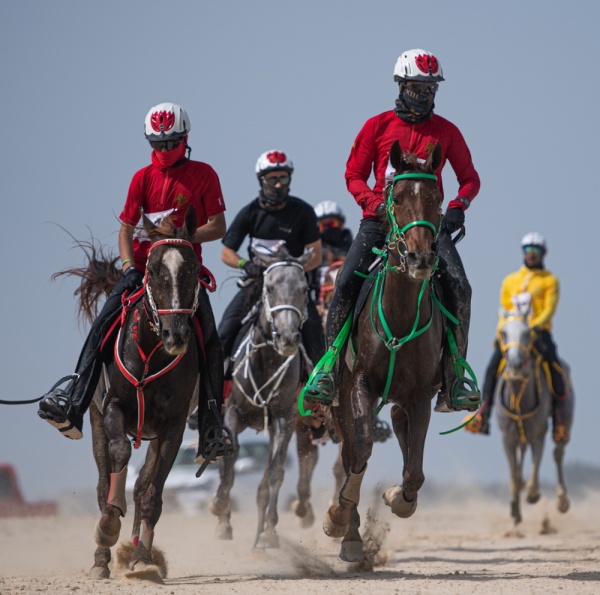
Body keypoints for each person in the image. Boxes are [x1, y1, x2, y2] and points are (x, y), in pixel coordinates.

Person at [38, 102, 233, 460]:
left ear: (185, 138)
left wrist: (183, 240)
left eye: (170, 142)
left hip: (183, 277)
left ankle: (210, 426)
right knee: (102, 324)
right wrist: (129, 264)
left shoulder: (204, 174)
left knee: (212, 342)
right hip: (144, 271)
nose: (163, 150)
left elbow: (219, 226)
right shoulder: (141, 178)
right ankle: (74, 403)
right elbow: (126, 230)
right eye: (157, 144)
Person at [303, 49, 481, 413]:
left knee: (460, 288)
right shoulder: (376, 126)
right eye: (417, 87)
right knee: (347, 282)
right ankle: (329, 371)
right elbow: (353, 174)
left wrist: (457, 208)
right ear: (401, 85)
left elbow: (469, 179)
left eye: (431, 88)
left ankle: (454, 378)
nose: (425, 94)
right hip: (380, 221)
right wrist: (375, 206)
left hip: (429, 226)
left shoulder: (447, 132)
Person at [217, 150, 325, 379]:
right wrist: (246, 265)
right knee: (225, 332)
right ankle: (211, 398)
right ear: (261, 180)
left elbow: (316, 255)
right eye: (272, 179)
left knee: (315, 331)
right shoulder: (250, 213)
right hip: (255, 284)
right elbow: (226, 253)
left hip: (292, 288)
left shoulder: (303, 212)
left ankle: (322, 387)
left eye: (282, 178)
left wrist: (292, 271)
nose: (277, 185)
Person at [467, 232, 570, 441]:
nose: (531, 254)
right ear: (522, 253)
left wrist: (531, 326)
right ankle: (483, 414)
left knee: (555, 367)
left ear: (543, 254)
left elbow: (549, 309)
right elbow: (504, 310)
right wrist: (501, 332)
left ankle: (559, 420)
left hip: (538, 333)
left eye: (536, 250)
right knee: (492, 368)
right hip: (513, 335)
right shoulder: (510, 280)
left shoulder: (550, 280)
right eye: (527, 250)